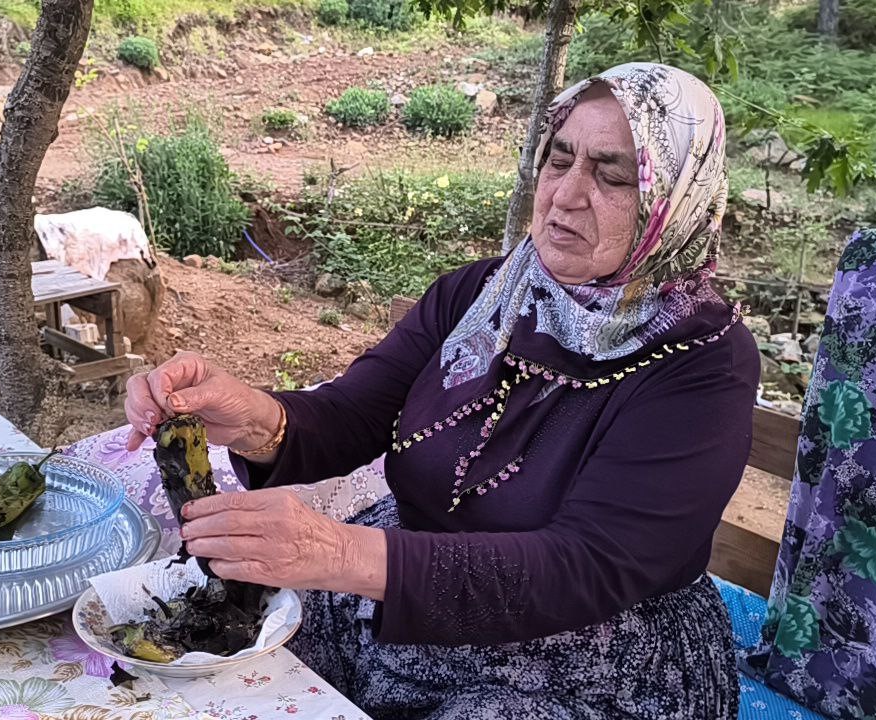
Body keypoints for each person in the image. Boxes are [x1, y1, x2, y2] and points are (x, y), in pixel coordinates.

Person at [126, 62, 758, 719]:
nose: (566, 195)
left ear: (674, 201)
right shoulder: (480, 295)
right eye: (559, 159)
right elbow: (355, 413)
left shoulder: (704, 364)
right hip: (406, 593)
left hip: (591, 654)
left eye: (613, 176)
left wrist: (337, 552)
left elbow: (589, 566)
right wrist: (257, 419)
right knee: (209, 664)